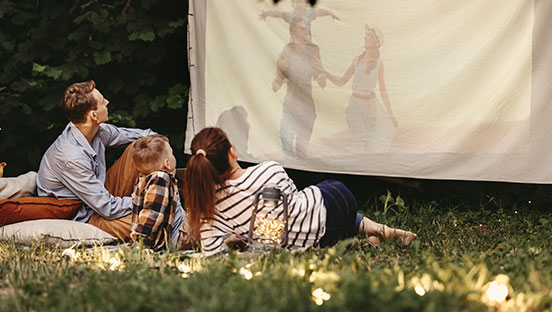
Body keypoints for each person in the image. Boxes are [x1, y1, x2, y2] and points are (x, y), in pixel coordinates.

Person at [183, 127, 417, 256]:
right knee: (318, 196)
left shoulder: (207, 207)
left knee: (302, 216)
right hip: (336, 204)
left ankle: (373, 237)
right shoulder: (268, 171)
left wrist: (241, 241)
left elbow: (213, 252)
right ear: (232, 151)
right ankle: (384, 233)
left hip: (305, 239)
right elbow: (294, 209)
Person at [36, 80, 155, 240]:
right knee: (153, 221)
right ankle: (179, 223)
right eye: (102, 101)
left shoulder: (98, 131)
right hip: (85, 217)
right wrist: (147, 200)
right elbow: (108, 208)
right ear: (93, 115)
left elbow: (144, 136)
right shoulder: (72, 157)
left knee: (143, 146)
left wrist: (161, 143)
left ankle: (162, 198)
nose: (107, 102)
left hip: (99, 198)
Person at [318, 25, 397, 153]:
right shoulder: (357, 60)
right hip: (355, 105)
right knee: (360, 138)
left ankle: (367, 168)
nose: (366, 38)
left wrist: (390, 114)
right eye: (366, 35)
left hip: (371, 107)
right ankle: (352, 167)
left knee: (372, 140)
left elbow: (383, 91)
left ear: (377, 42)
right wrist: (324, 71)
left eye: (369, 35)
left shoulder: (379, 63)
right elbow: (341, 81)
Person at [273, 21, 327, 158]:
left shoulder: (313, 50)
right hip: (290, 107)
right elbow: (275, 86)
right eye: (302, 29)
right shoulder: (287, 49)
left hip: (307, 110)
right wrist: (280, 69)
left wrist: (321, 72)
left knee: (302, 150)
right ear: (293, 32)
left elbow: (322, 82)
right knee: (286, 145)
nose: (306, 32)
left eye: (307, 29)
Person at [129, 134, 186, 250]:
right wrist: (141, 242)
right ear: (167, 163)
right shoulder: (160, 178)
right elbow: (151, 213)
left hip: (177, 231)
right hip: (178, 236)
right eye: (172, 154)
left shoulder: (144, 178)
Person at [259, 0, 339, 44]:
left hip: (307, 44)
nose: (299, 4)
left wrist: (331, 14)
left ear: (306, 5)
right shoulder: (290, 15)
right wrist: (267, 14)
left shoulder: (308, 14)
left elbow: (320, 12)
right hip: (295, 45)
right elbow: (278, 14)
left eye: (301, 2)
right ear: (292, 4)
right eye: (296, 2)